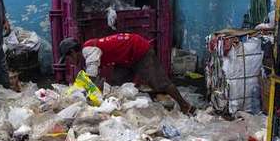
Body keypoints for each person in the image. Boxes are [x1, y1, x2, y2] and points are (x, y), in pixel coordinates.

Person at [58, 33, 195, 114]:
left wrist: (84, 96)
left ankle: (185, 105)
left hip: (138, 50)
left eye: (69, 58)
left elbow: (91, 78)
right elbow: (94, 79)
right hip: (126, 58)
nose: (70, 62)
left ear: (72, 52)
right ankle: (137, 106)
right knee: (118, 84)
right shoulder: (88, 49)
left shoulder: (89, 51)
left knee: (160, 82)